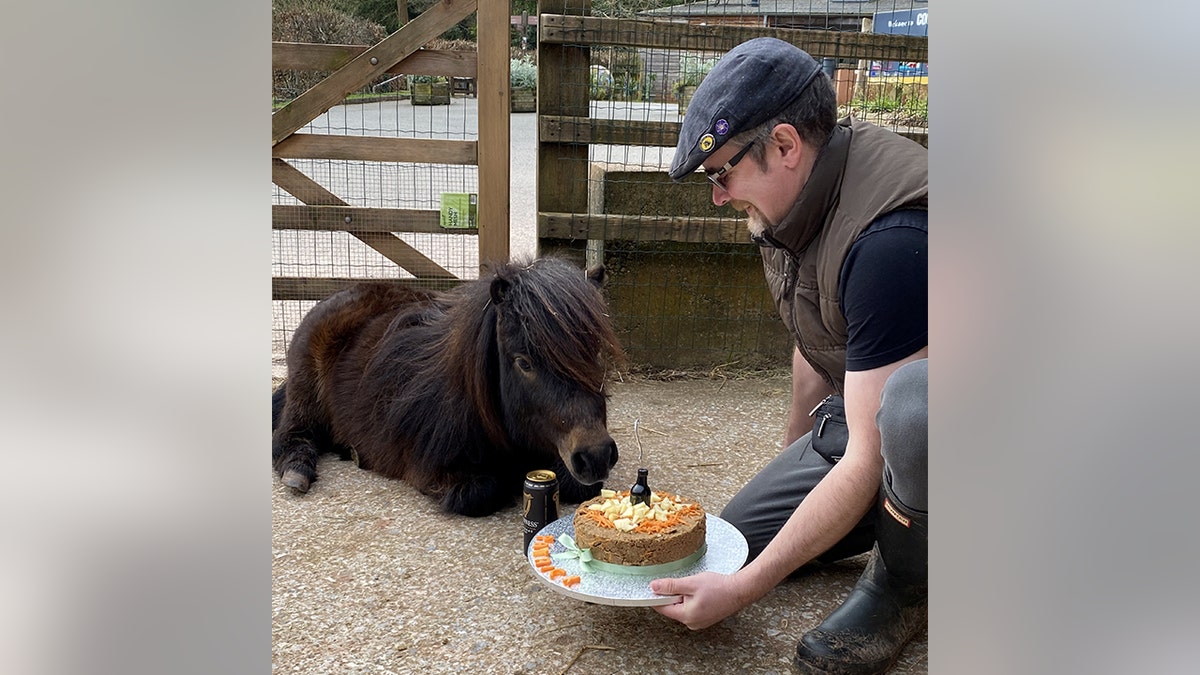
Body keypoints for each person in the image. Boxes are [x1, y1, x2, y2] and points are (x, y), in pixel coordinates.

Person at [649, 37, 928, 675]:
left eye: (722, 173)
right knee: (739, 538)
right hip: (873, 420)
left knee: (912, 412)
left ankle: (907, 589)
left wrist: (745, 592)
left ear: (783, 144)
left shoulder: (891, 245)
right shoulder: (792, 201)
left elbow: (871, 453)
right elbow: (815, 346)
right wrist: (791, 467)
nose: (717, 195)